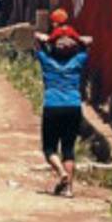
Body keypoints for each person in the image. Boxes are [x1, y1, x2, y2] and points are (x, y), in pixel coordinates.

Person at [34, 32, 90, 198]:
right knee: (68, 149)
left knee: (49, 148)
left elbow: (36, 42)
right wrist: (78, 39)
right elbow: (87, 44)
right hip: (73, 107)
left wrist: (47, 39)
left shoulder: (47, 61)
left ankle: (61, 172)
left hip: (52, 107)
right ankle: (68, 189)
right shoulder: (78, 61)